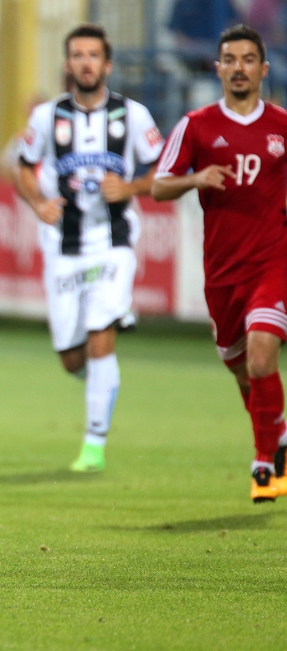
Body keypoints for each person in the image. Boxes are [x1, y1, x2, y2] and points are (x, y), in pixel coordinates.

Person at [15, 24, 164, 473]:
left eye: (93, 55)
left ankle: (94, 444)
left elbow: (163, 172)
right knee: (71, 357)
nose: (85, 62)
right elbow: (23, 167)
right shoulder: (47, 117)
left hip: (114, 242)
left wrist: (133, 185)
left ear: (107, 64)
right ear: (68, 64)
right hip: (64, 246)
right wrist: (38, 202)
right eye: (77, 55)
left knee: (102, 336)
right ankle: (96, 382)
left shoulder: (133, 115)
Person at [152, 25, 287, 503]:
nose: (239, 68)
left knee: (261, 354)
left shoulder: (282, 126)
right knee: (243, 372)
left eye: (248, 59)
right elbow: (158, 185)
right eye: (229, 59)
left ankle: (264, 463)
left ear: (263, 69)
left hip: (273, 263)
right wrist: (197, 178)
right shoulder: (197, 125)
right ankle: (279, 431)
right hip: (223, 273)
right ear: (218, 68)